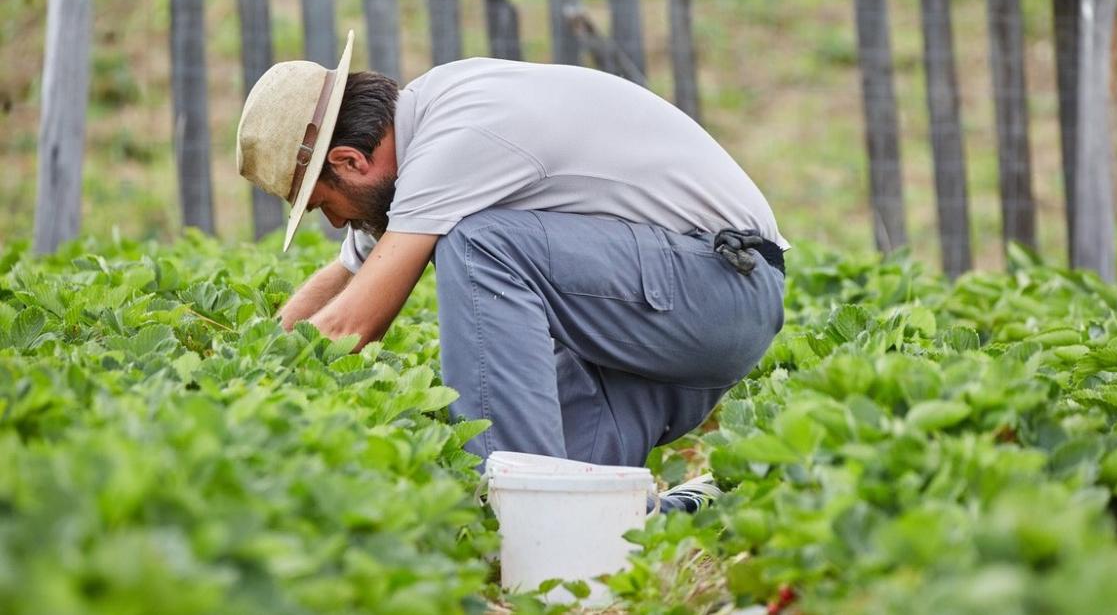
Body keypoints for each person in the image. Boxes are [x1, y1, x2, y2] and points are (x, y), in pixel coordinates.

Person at [237, 31, 787, 498]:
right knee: (572, 498)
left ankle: (519, 509)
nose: (336, 224)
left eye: (321, 204)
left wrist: (250, 409)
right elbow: (348, 277)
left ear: (349, 161)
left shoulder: (457, 137)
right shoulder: (424, 131)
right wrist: (251, 359)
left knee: (479, 244)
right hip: (659, 316)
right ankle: (689, 508)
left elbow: (352, 324)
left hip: (720, 290)